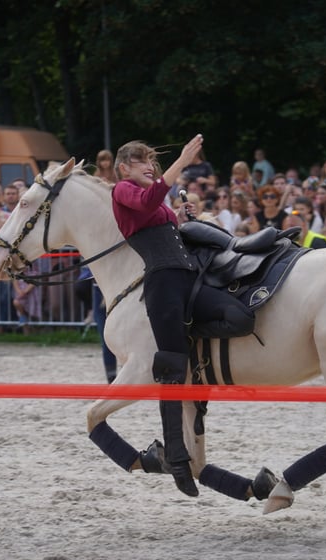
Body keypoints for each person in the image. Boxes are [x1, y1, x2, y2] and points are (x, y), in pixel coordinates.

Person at [109, 134, 255, 498]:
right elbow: (148, 199)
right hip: (162, 283)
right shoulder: (123, 191)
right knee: (172, 369)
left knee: (241, 318)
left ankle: (190, 343)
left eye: (152, 162)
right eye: (142, 161)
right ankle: (176, 456)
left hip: (188, 279)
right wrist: (182, 162)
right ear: (124, 167)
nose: (150, 166)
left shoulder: (154, 200)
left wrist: (179, 217)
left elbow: (159, 212)